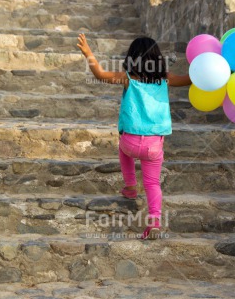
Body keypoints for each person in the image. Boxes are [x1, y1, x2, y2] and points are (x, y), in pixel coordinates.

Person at [77, 34, 191, 240]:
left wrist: (88, 53)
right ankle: (154, 222)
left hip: (129, 141)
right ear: (157, 58)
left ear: (131, 59)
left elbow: (100, 74)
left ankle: (130, 186)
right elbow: (191, 79)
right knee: (152, 184)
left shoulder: (127, 78)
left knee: (123, 149)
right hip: (154, 145)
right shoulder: (165, 78)